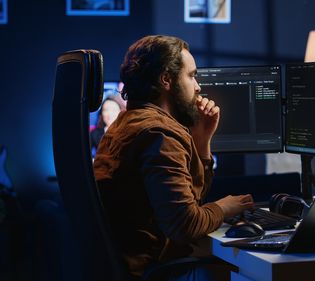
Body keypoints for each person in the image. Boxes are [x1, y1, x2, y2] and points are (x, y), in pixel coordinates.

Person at [93, 35, 255, 279]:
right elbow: (186, 226)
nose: (198, 86)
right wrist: (225, 207)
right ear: (167, 80)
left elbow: (191, 200)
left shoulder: (127, 123)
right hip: (148, 270)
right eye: (191, 76)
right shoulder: (160, 133)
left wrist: (202, 141)